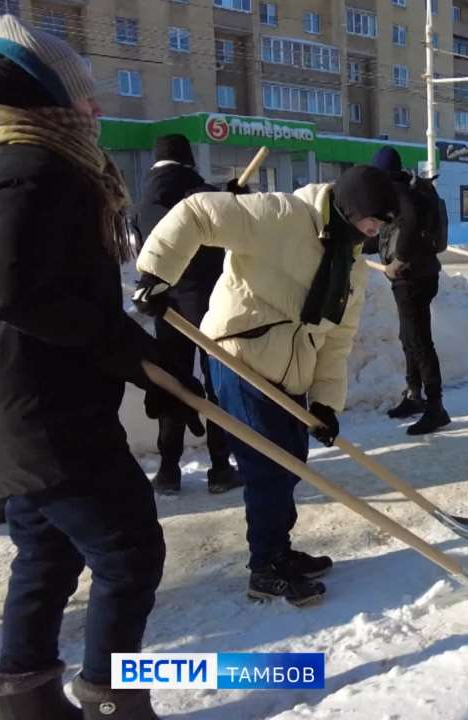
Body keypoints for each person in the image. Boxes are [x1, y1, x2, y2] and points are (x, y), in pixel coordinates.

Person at [0, 15, 204, 719]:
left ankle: (27, 702)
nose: (95, 108)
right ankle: (111, 701)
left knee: (47, 554)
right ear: (48, 99)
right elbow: (15, 292)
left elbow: (35, 292)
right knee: (129, 553)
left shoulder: (4, 163)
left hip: (20, 408)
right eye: (84, 95)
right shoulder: (34, 167)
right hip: (48, 414)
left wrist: (140, 360)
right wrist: (132, 353)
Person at [135, 165, 398, 607]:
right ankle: (265, 567)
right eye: (372, 221)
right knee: (268, 467)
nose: (374, 232)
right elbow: (198, 212)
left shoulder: (351, 265)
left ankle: (278, 548)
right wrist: (156, 275)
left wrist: (325, 403)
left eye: (380, 226)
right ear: (351, 209)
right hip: (239, 356)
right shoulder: (281, 214)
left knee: (291, 462)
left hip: (291, 370)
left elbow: (336, 339)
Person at [134, 134, 241, 495]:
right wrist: (232, 194)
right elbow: (218, 212)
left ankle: (168, 470)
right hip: (206, 300)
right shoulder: (193, 188)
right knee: (216, 384)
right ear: (188, 159)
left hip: (166, 303)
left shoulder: (145, 197)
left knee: (173, 381)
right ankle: (221, 467)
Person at [364, 147, 451, 435]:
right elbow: (391, 231)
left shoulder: (397, 191)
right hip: (421, 273)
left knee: (420, 341)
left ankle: (436, 408)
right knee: (409, 337)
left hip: (412, 276)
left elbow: (410, 222)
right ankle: (414, 395)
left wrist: (398, 261)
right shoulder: (409, 188)